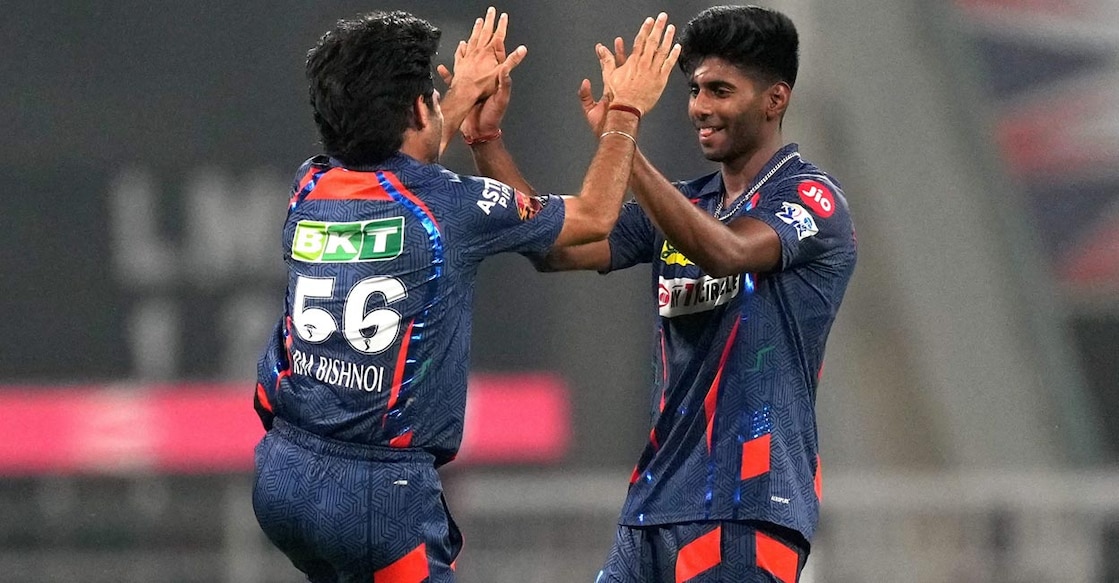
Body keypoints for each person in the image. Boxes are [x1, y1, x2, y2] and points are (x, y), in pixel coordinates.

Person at [249, 7, 680, 583]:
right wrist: (625, 111)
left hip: (281, 473)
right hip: (378, 497)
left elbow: (400, 157)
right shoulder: (452, 207)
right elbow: (596, 217)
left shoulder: (311, 186)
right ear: (416, 108)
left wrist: (458, 106)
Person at [462, 5, 856, 582]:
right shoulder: (684, 202)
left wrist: (623, 134)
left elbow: (729, 251)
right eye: (695, 89)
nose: (700, 106)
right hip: (652, 507)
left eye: (721, 90)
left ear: (775, 99)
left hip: (745, 508)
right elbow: (555, 249)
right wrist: (486, 141)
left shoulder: (814, 200)